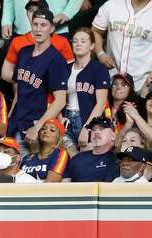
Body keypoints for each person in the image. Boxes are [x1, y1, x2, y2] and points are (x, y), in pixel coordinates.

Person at [8, 8, 68, 153]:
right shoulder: (23, 52)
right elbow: (18, 90)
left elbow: (60, 100)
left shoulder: (55, 59)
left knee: (32, 171)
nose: (38, 29)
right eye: (35, 24)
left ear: (52, 28)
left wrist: (38, 126)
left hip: (36, 126)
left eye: (43, 25)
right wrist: (9, 117)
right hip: (16, 122)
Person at [91, 0, 152, 92]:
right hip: (110, 79)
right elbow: (95, 31)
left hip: (142, 85)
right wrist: (100, 53)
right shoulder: (111, 5)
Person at [1, 0, 75, 83]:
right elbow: (5, 73)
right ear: (26, 13)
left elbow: (71, 73)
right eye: (30, 10)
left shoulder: (61, 42)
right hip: (24, 94)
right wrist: (29, 81)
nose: (34, 14)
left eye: (39, 10)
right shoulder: (17, 42)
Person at [63, 27, 110, 155]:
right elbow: (58, 98)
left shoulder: (99, 69)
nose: (78, 44)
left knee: (86, 161)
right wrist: (59, 118)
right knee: (72, 161)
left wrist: (87, 127)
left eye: (83, 41)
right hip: (67, 121)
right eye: (75, 41)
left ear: (92, 46)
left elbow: (101, 104)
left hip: (86, 120)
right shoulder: (65, 68)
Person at [120, 89, 152, 180]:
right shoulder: (138, 123)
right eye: (149, 98)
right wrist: (129, 122)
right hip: (128, 167)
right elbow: (118, 144)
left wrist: (136, 115)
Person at [63, 115, 119, 181]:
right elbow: (64, 186)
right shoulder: (76, 159)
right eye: (93, 129)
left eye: (102, 128)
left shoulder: (118, 160)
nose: (96, 132)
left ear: (113, 136)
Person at [1, 0, 82, 39]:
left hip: (56, 31)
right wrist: (7, 20)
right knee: (20, 70)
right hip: (22, 29)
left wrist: (67, 13)